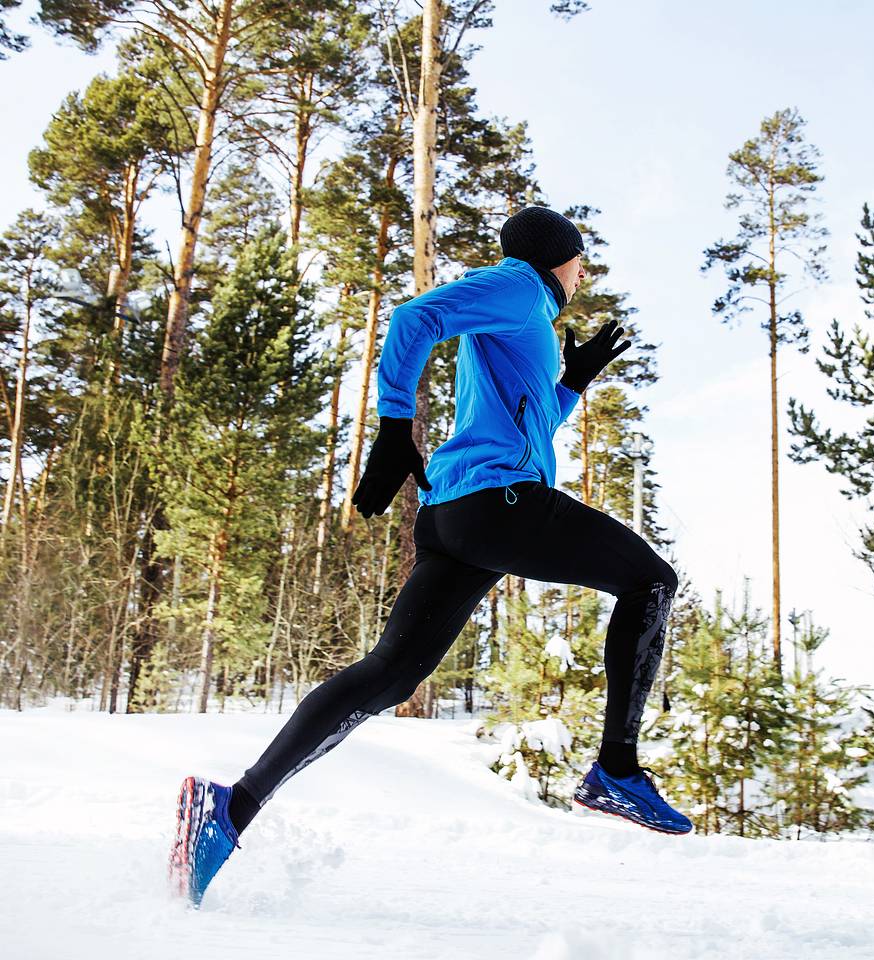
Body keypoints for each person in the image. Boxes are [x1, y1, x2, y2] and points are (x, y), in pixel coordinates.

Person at [168, 206, 691, 908]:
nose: (584, 271)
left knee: (388, 676)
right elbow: (414, 319)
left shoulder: (521, 315)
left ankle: (228, 810)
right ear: (553, 257)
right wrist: (391, 426)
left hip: (461, 514)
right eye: (579, 258)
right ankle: (616, 768)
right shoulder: (517, 287)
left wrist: (573, 383)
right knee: (653, 581)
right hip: (500, 503)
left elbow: (525, 423)